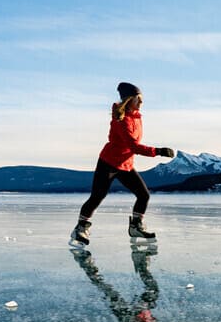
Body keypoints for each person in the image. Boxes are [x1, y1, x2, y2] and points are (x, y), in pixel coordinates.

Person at [69, 82, 176, 248]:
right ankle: (80, 229)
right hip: (108, 163)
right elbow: (133, 146)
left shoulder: (136, 117)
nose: (141, 103)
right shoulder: (122, 120)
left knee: (144, 195)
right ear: (130, 100)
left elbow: (132, 147)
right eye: (138, 99)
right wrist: (159, 151)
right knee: (97, 196)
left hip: (125, 164)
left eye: (141, 99)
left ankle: (136, 227)